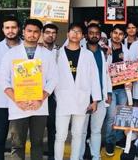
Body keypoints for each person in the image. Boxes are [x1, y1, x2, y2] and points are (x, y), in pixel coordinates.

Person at [0, 18, 57, 160]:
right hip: (18, 105)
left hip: (39, 106)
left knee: (37, 144)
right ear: (23, 32)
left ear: (40, 34)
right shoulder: (11, 54)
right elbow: (3, 79)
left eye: (36, 32)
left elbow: (53, 79)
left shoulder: (47, 55)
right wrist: (16, 100)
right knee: (17, 145)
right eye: (29, 31)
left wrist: (40, 98)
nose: (32, 34)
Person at [53, 23, 101, 160]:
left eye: (79, 32)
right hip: (63, 99)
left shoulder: (88, 55)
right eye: (73, 31)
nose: (75, 34)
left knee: (78, 134)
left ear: (83, 36)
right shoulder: (57, 54)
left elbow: (94, 78)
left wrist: (95, 100)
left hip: (82, 100)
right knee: (60, 135)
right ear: (68, 34)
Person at [0, 15, 21, 160]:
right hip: (2, 100)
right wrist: (8, 85)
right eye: (7, 28)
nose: (10, 31)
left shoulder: (27, 47)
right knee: (1, 134)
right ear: (3, 30)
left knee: (18, 136)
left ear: (18, 29)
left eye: (13, 27)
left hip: (22, 99)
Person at [79, 23, 112, 160]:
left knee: (96, 130)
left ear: (100, 36)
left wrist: (109, 92)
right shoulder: (79, 51)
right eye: (91, 32)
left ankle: (96, 156)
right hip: (83, 97)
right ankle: (79, 156)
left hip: (100, 97)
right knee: (80, 131)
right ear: (86, 35)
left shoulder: (104, 52)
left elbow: (107, 74)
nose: (94, 35)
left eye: (96, 33)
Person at [104, 24, 128, 156]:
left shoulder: (126, 51)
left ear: (123, 36)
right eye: (115, 33)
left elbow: (130, 68)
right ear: (111, 34)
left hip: (122, 88)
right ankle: (109, 141)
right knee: (111, 116)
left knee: (121, 115)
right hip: (110, 89)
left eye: (120, 34)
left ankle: (119, 139)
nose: (117, 36)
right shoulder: (104, 48)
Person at [41, 23, 59, 160]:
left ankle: (52, 155)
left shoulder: (60, 51)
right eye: (47, 32)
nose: (50, 35)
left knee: (52, 126)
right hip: (37, 93)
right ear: (42, 33)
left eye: (53, 33)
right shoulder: (36, 50)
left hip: (53, 94)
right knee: (38, 128)